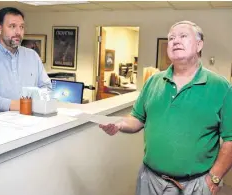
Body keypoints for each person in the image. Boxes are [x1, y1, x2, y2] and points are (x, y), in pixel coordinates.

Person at [99, 21, 232, 195]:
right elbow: (137, 119)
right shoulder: (154, 81)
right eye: (171, 38)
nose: (175, 41)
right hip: (150, 180)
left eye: (183, 36)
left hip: (196, 185)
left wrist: (214, 179)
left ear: (199, 45)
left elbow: (230, 140)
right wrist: (118, 124)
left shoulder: (221, 87)